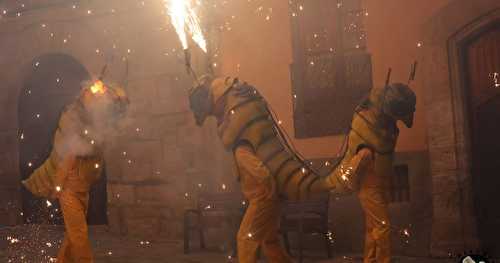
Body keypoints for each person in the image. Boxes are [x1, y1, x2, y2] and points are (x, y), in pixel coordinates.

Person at [188, 76, 372, 262]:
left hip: (262, 197)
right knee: (270, 241)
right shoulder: (246, 130)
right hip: (268, 195)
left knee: (245, 239)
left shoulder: (241, 146)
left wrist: (270, 191)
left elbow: (261, 172)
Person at [22, 80, 128, 263]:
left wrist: (116, 96)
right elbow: (68, 155)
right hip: (69, 189)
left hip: (82, 189)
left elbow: (116, 111)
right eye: (88, 94)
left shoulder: (95, 125)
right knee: (79, 234)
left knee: (74, 234)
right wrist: (57, 185)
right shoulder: (74, 122)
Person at [342, 83, 416, 263]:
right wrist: (349, 179)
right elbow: (360, 160)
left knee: (373, 227)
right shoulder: (368, 137)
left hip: (377, 182)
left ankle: (371, 259)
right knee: (382, 226)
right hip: (369, 186)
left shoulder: (379, 124)